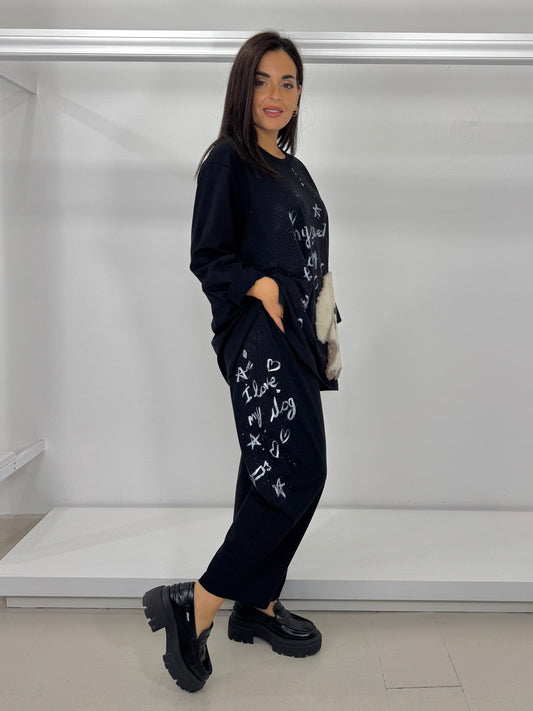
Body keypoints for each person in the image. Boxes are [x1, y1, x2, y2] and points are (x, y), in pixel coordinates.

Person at [142, 30, 341, 693]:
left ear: (300, 94)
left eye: (288, 82)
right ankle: (195, 604)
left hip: (297, 339)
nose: (275, 94)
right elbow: (208, 257)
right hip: (258, 335)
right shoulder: (228, 161)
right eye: (261, 80)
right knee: (296, 471)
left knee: (266, 471)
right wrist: (259, 287)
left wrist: (323, 330)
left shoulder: (293, 167)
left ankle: (255, 602)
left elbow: (310, 259)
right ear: (241, 88)